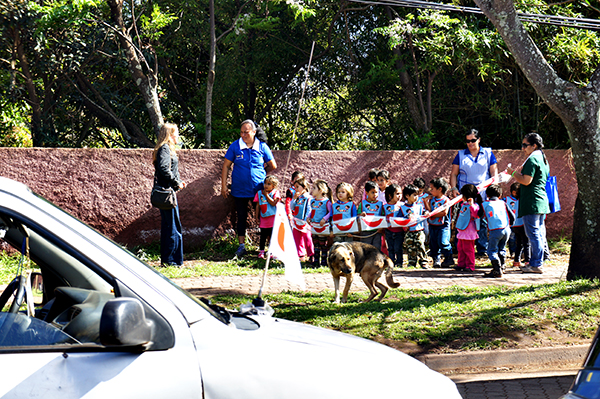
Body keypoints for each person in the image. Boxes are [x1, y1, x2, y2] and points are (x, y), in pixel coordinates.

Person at [221, 120, 277, 258]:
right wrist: (223, 185)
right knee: (241, 217)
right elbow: (226, 166)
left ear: (254, 132)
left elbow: (273, 165)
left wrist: (260, 172)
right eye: (241, 132)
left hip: (258, 190)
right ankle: (241, 247)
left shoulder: (262, 147)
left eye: (246, 132)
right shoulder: (235, 146)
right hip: (239, 190)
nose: (243, 134)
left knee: (264, 217)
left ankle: (267, 248)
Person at [449, 129, 498, 254]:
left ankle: (482, 248)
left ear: (479, 139)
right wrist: (454, 188)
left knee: (482, 219)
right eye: (468, 141)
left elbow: (494, 172)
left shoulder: (488, 153)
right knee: (463, 218)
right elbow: (454, 174)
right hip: (464, 194)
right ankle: (460, 247)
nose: (470, 143)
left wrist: (494, 188)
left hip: (483, 192)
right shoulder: (460, 154)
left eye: (473, 140)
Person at [506, 133, 550, 274]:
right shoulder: (542, 158)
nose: (523, 148)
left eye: (525, 145)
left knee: (533, 234)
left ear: (534, 145)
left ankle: (536, 264)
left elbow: (526, 180)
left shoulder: (533, 159)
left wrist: (512, 173)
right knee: (539, 232)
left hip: (532, 201)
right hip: (540, 200)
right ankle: (538, 261)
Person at [153, 123, 186, 267]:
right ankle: (172, 261)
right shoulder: (165, 149)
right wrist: (176, 182)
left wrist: (178, 181)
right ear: (170, 135)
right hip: (167, 193)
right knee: (173, 227)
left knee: (169, 226)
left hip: (167, 191)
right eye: (176, 133)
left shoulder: (164, 149)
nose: (178, 136)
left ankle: (168, 259)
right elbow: (164, 169)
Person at [481, 184, 514, 278]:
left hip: (495, 230)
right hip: (506, 229)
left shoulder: (485, 204)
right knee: (502, 248)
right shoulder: (503, 203)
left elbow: (479, 215)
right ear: (500, 195)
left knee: (491, 250)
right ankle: (502, 266)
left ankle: (497, 269)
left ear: (487, 195)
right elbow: (512, 216)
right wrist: (510, 225)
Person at [398, 184, 429, 268]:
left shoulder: (419, 206)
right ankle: (412, 262)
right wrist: (405, 219)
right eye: (414, 195)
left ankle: (424, 261)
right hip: (409, 231)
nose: (416, 197)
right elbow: (399, 219)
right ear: (407, 196)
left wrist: (426, 213)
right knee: (410, 246)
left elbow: (424, 212)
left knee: (420, 244)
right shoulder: (402, 208)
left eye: (417, 195)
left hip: (419, 230)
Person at [427, 177, 454, 268]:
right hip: (432, 225)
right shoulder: (432, 200)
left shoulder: (445, 200)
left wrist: (432, 215)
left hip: (443, 225)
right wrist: (425, 202)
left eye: (432, 189)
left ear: (440, 189)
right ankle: (436, 259)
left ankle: (448, 258)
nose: (430, 191)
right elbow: (429, 210)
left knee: (443, 241)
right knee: (433, 242)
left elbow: (444, 213)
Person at [454, 184, 482, 272]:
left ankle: (470, 265)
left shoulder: (475, 206)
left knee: (468, 249)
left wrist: (472, 205)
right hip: (462, 231)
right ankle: (461, 264)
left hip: (469, 232)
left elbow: (476, 215)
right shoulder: (463, 205)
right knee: (460, 248)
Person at [253, 175, 281, 259]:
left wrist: (266, 195)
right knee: (263, 236)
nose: (266, 185)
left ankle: (272, 251)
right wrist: (256, 217)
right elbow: (258, 206)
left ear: (274, 186)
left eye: (269, 184)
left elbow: (273, 203)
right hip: (263, 218)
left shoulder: (275, 193)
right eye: (265, 183)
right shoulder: (259, 193)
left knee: (272, 235)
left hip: (272, 219)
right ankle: (261, 251)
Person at [308, 179, 333, 267]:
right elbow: (312, 211)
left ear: (321, 190)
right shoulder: (313, 201)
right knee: (315, 243)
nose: (312, 190)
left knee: (323, 244)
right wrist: (309, 217)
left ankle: (324, 261)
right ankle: (316, 261)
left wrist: (324, 218)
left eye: (314, 188)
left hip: (322, 226)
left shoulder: (326, 202)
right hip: (314, 226)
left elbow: (331, 212)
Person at [504, 182, 530, 267]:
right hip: (522, 224)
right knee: (526, 243)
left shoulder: (508, 200)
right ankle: (527, 261)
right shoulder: (521, 200)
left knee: (519, 243)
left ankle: (516, 261)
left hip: (514, 225)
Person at [290, 177, 314, 262]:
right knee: (297, 238)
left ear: (304, 187)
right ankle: (300, 254)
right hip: (297, 221)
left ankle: (311, 254)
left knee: (307, 238)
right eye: (295, 187)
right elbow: (292, 207)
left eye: (297, 187)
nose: (296, 189)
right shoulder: (298, 198)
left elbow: (309, 209)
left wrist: (306, 219)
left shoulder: (308, 198)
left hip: (305, 222)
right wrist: (294, 199)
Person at [357, 181, 384, 251]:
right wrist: (361, 214)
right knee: (365, 249)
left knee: (376, 249)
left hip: (377, 231)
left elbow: (383, 217)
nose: (375, 194)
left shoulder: (380, 204)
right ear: (366, 193)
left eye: (376, 192)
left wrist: (381, 227)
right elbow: (357, 215)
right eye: (372, 192)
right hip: (366, 231)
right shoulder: (362, 204)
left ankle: (376, 262)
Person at [384, 184, 404, 268]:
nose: (399, 196)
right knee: (390, 248)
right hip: (389, 230)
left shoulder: (403, 206)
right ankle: (391, 262)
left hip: (399, 231)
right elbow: (382, 218)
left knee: (398, 248)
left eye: (400, 193)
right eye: (397, 194)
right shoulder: (384, 206)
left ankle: (399, 262)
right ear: (390, 195)